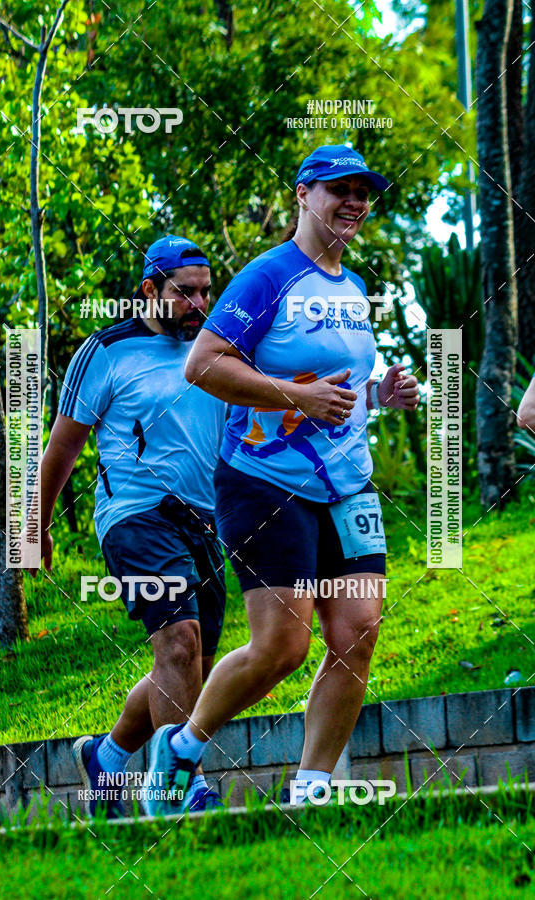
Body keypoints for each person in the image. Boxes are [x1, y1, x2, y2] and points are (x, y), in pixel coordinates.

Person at [142, 145, 420, 814]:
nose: (353, 202)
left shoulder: (353, 289)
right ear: (303, 194)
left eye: (363, 191)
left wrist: (380, 395)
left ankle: (313, 789)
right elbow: (203, 366)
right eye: (338, 189)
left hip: (346, 485)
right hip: (264, 485)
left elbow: (334, 391)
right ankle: (180, 750)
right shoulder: (268, 279)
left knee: (357, 631)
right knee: (283, 648)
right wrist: (296, 398)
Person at [27, 235, 227, 816]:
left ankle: (108, 759)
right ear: (148, 290)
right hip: (135, 517)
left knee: (192, 664)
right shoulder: (107, 351)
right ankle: (177, 792)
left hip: (205, 521)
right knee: (179, 642)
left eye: (205, 291)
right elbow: (61, 449)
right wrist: (34, 528)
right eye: (184, 292)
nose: (198, 302)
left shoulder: (216, 349)